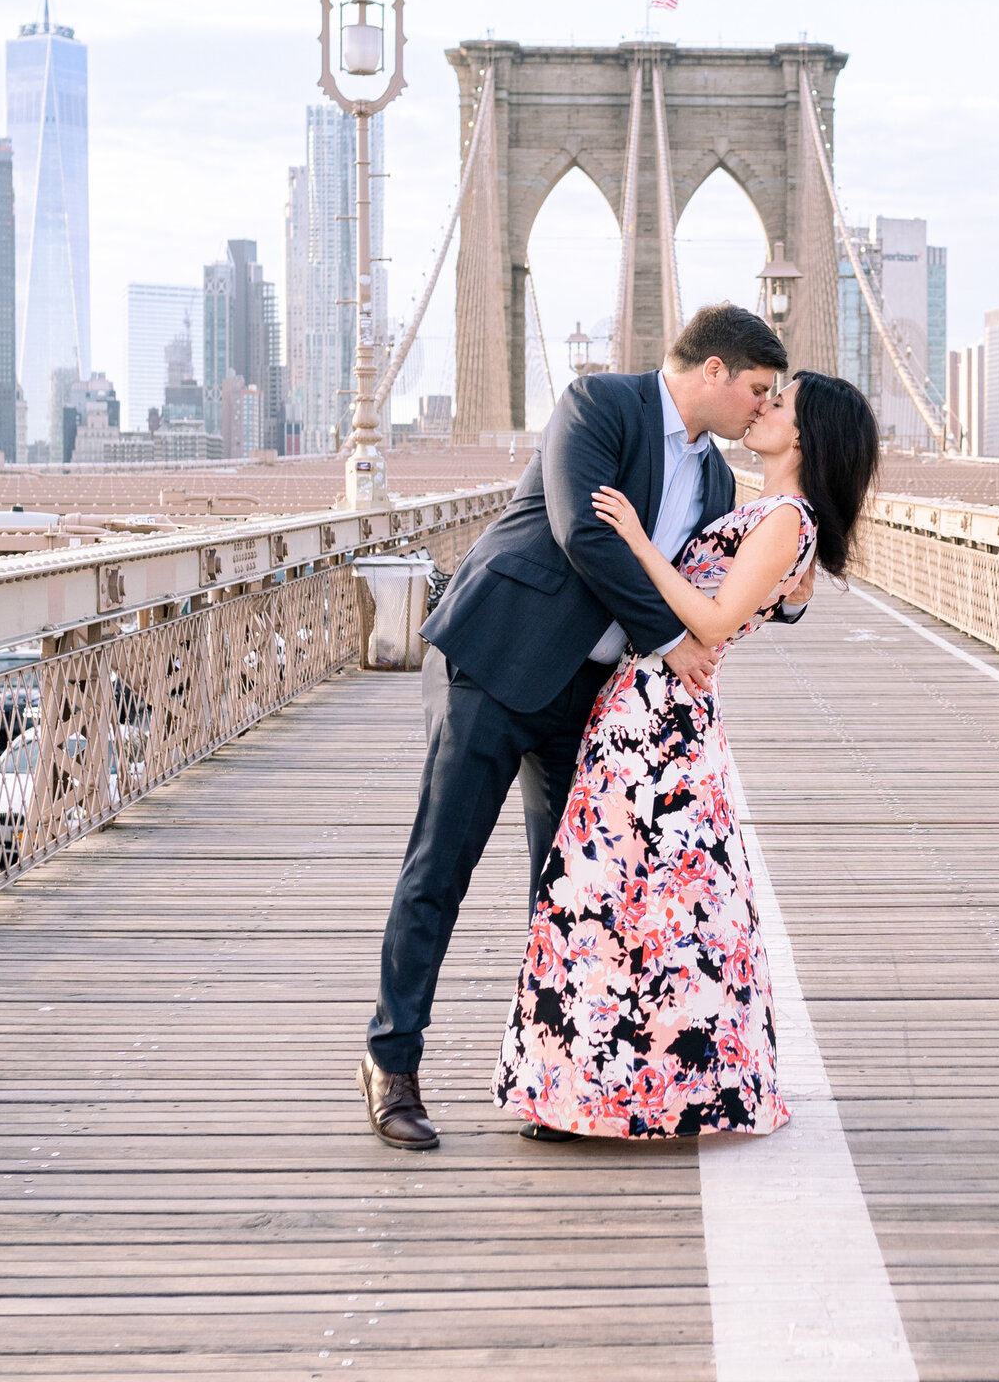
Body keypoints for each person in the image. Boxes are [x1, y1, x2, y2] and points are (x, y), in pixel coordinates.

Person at [360, 304, 804, 1150]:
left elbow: (720, 580)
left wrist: (786, 584)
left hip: (589, 701)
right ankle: (391, 1061)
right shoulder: (598, 405)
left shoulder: (716, 481)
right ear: (713, 371)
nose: (760, 405)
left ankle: (554, 1081)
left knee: (568, 898)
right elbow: (586, 537)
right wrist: (675, 641)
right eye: (755, 388)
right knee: (439, 868)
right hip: (494, 664)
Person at [494, 370, 879, 1139]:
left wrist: (635, 541)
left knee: (631, 900)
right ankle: (594, 1094)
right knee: (621, 900)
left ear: (806, 436)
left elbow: (710, 620)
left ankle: (635, 1095)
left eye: (781, 402)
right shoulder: (760, 507)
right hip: (639, 709)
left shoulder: (786, 519)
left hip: (662, 724)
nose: (764, 407)